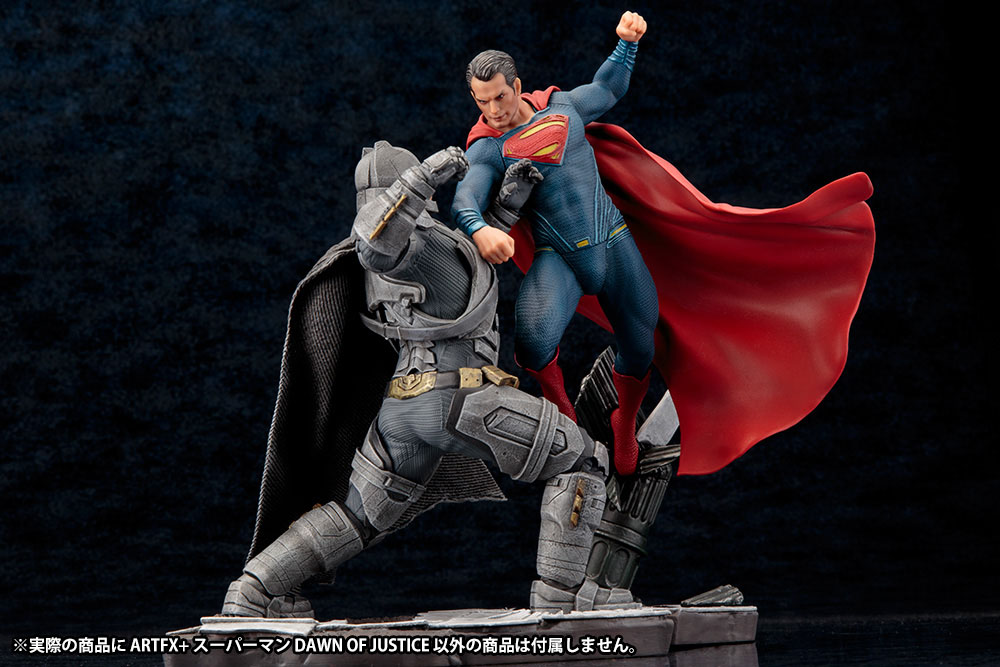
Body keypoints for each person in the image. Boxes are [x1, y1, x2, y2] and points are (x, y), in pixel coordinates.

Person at [221, 143, 623, 618]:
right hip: (458, 399)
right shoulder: (399, 245)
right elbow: (377, 244)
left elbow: (464, 271)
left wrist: (505, 208)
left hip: (403, 411)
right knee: (581, 459)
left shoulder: (422, 245)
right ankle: (563, 598)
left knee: (360, 515)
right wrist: (423, 178)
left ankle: (257, 590)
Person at [452, 11, 654, 476]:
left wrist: (626, 44)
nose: (493, 110)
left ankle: (624, 425)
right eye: (482, 101)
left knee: (642, 340)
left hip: (610, 235)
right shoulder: (487, 147)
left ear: (517, 86)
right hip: (558, 253)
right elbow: (466, 197)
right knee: (533, 342)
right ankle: (564, 413)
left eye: (500, 96)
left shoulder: (561, 108)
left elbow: (607, 89)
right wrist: (480, 229)